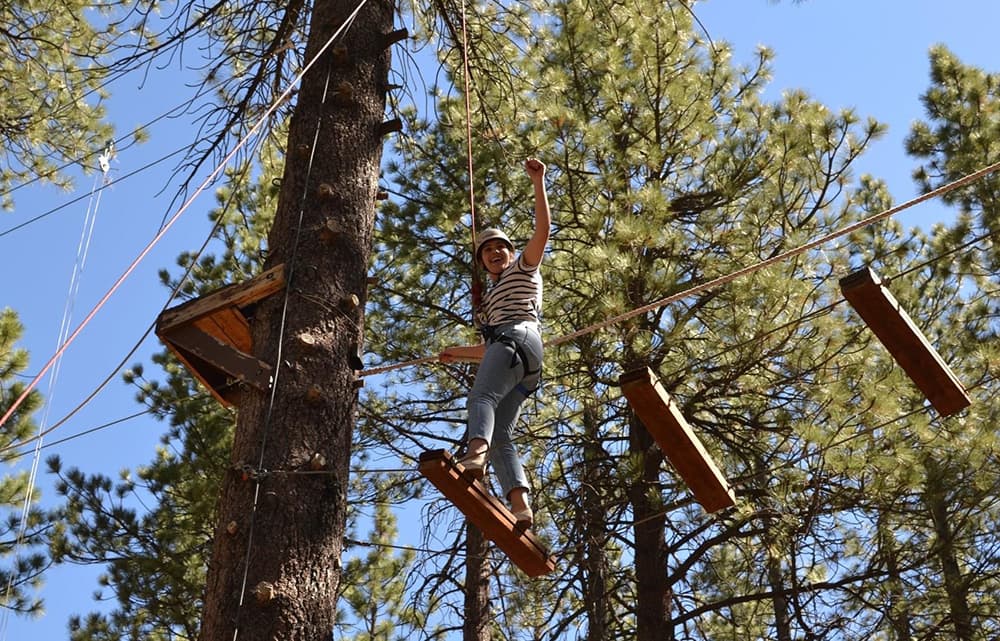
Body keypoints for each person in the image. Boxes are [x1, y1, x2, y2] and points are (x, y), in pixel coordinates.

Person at [439, 157, 550, 530]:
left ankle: (475, 455)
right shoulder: (490, 303)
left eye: (501, 247)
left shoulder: (524, 267)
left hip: (518, 338)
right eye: (488, 252)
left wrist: (538, 182)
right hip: (525, 361)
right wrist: (456, 353)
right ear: (483, 263)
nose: (495, 253)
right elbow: (492, 352)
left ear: (511, 251)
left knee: (480, 398)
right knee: (502, 432)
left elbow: (542, 232)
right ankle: (521, 506)